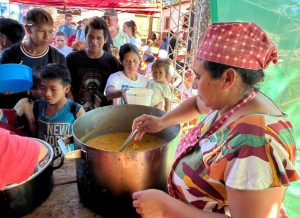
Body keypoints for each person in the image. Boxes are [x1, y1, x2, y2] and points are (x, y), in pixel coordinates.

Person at [131, 22, 300, 218]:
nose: (193, 85)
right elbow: (197, 104)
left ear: (228, 78)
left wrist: (166, 207)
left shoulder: (257, 143)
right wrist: (161, 121)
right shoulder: (234, 99)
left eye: (198, 76)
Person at [0, 8, 66, 109]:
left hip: (44, 118)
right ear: (28, 29)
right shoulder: (10, 54)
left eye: (50, 31)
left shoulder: (57, 58)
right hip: (12, 116)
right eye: (41, 31)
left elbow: (62, 91)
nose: (47, 37)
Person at [67, 17, 121, 111]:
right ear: (85, 36)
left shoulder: (113, 63)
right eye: (91, 37)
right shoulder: (72, 59)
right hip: (77, 114)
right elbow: (66, 86)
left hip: (103, 115)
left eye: (99, 38)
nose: (94, 42)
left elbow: (116, 91)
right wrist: (74, 109)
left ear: (105, 39)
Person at [30, 64, 85, 157]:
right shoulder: (37, 106)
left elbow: (85, 138)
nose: (47, 93)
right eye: (43, 88)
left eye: (53, 89)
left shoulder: (76, 110)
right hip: (42, 160)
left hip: (66, 163)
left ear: (66, 89)